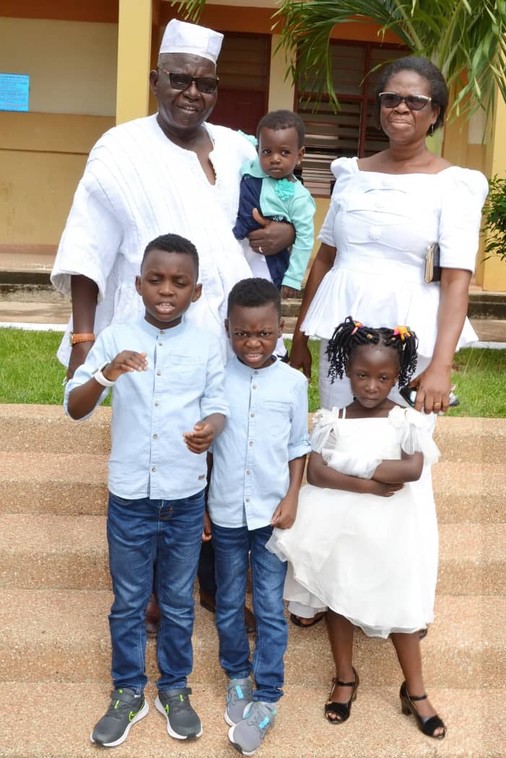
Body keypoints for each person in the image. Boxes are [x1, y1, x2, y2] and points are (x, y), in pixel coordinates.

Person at [52, 18, 292, 627]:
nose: (192, 93)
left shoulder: (239, 147)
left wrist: (285, 231)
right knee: (162, 444)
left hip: (231, 329)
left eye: (205, 84)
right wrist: (84, 339)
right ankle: (155, 586)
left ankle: (213, 580)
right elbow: (87, 248)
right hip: (155, 323)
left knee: (223, 446)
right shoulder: (121, 148)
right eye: (180, 79)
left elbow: (278, 202)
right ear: (155, 78)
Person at [65, 233, 228, 747]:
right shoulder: (115, 337)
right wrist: (106, 374)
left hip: (184, 497)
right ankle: (128, 691)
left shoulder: (207, 344)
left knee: (178, 602)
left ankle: (174, 688)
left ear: (196, 291)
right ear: (137, 284)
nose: (166, 290)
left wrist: (211, 429)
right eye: (156, 280)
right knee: (129, 601)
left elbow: (219, 404)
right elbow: (74, 406)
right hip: (130, 498)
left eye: (179, 282)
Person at [268, 318, 446, 739]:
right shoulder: (332, 419)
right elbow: (317, 473)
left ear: (397, 376)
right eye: (362, 375)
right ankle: (345, 677)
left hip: (393, 529)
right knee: (338, 597)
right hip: (342, 527)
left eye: (383, 378)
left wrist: (349, 467)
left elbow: (411, 469)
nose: (371, 386)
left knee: (401, 603)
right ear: (347, 370)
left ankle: (416, 690)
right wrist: (369, 483)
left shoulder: (405, 420)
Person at [289, 55, 488, 415]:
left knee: (403, 437)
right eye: (391, 98)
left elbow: (456, 280)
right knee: (338, 428)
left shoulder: (455, 184)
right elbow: (325, 260)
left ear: (435, 113)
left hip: (411, 331)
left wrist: (441, 366)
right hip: (341, 327)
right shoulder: (351, 175)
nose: (401, 107)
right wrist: (300, 339)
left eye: (415, 101)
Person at [206, 278, 310, 756]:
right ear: (228, 329)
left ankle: (268, 695)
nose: (253, 342)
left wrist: (292, 497)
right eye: (242, 333)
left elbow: (297, 447)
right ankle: (237, 676)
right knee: (229, 601)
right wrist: (203, 505)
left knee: (268, 605)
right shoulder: (215, 378)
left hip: (271, 514)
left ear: (280, 328)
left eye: (264, 333)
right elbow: (205, 450)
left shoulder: (293, 383)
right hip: (226, 511)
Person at [233, 110, 316, 300]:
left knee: (260, 303)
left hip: (268, 262)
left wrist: (293, 278)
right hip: (237, 254)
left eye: (284, 152)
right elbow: (240, 138)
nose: (275, 158)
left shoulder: (299, 197)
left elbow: (305, 239)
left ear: (300, 155)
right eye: (267, 152)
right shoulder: (254, 166)